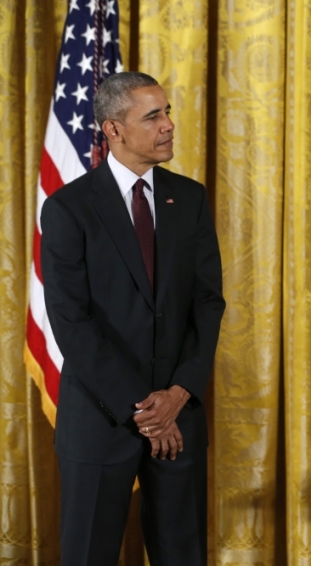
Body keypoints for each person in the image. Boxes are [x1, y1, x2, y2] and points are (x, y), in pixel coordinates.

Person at [41, 72, 225, 565]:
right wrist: (145, 409)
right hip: (102, 416)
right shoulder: (68, 208)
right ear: (113, 130)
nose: (169, 125)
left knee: (181, 554)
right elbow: (70, 321)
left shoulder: (189, 198)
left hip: (179, 414)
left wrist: (179, 394)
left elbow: (208, 303)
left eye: (167, 112)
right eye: (153, 116)